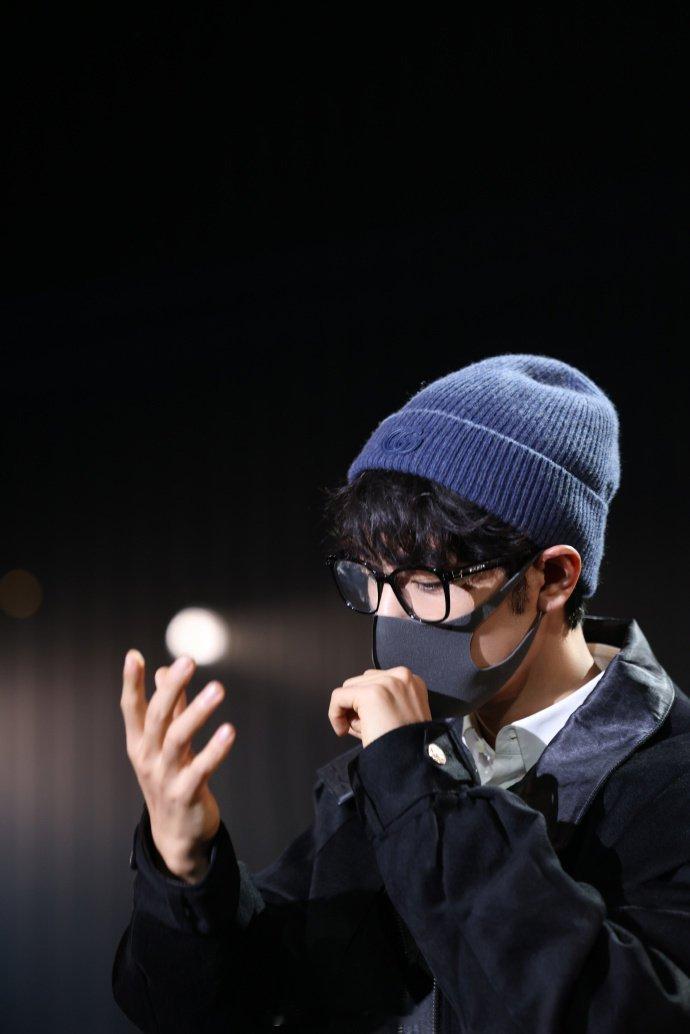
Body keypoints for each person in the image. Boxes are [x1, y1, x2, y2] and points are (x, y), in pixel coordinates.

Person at [112, 353, 690, 1033]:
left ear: (554, 578)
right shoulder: (394, 769)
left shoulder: (668, 783)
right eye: (373, 578)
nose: (391, 617)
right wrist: (186, 869)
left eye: (426, 582)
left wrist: (419, 797)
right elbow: (223, 1006)